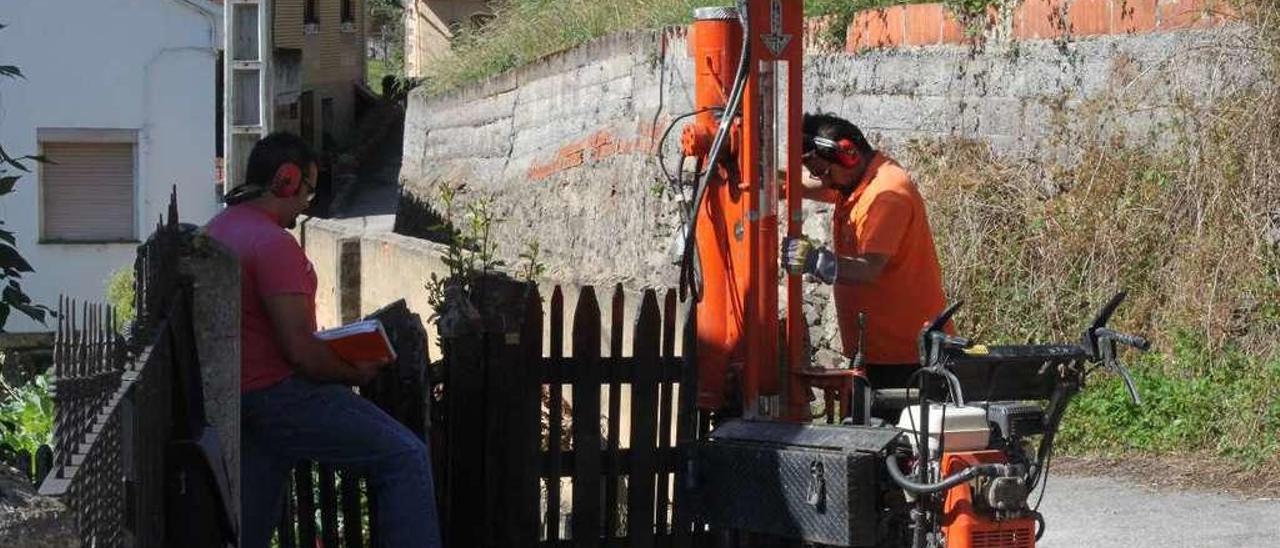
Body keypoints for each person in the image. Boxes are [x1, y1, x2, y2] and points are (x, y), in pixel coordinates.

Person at [206, 133, 442, 548]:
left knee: (249, 525)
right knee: (403, 457)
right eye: (309, 192)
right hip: (278, 396)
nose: (307, 206)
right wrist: (355, 370)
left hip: (236, 400)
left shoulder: (219, 229)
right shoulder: (272, 244)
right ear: (287, 180)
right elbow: (300, 352)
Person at [781, 113, 949, 416]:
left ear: (848, 154)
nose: (823, 181)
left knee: (900, 452)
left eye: (822, 171)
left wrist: (815, 260)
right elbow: (819, 186)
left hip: (908, 357)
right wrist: (775, 180)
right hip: (878, 351)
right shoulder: (856, 182)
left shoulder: (887, 195)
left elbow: (869, 268)